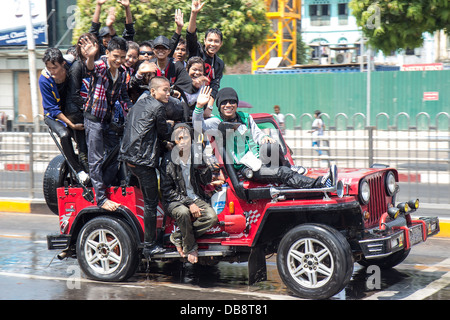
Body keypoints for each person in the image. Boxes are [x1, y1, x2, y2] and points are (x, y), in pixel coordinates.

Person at [193, 87, 337, 190]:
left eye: (232, 101)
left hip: (259, 159)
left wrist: (265, 138)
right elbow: (198, 126)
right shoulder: (216, 122)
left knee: (271, 146)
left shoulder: (246, 117)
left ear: (236, 104)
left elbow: (258, 135)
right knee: (282, 172)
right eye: (224, 102)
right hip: (245, 168)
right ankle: (319, 184)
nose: (228, 105)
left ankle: (288, 166)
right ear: (219, 106)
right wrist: (199, 106)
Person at [120, 76, 173, 256]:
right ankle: (150, 245)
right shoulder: (158, 107)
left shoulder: (138, 104)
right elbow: (163, 132)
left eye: (169, 90)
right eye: (164, 90)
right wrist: (169, 128)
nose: (168, 93)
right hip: (143, 161)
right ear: (153, 91)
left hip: (128, 159)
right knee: (151, 202)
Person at [81, 36, 133, 211]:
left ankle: (105, 188)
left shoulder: (123, 72)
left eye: (122, 57)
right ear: (108, 53)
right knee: (95, 160)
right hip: (93, 119)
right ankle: (101, 199)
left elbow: (123, 96)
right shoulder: (100, 66)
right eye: (115, 56)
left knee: (117, 154)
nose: (119, 60)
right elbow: (90, 69)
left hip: (108, 120)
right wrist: (90, 56)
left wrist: (132, 112)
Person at [160, 123, 219, 264]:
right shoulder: (168, 160)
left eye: (185, 137)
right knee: (183, 212)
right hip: (174, 200)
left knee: (211, 217)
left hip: (194, 196)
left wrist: (204, 165)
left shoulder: (195, 155)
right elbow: (167, 191)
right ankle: (191, 247)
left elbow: (206, 180)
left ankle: (178, 236)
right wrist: (189, 203)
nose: (182, 141)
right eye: (178, 138)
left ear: (191, 139)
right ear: (174, 140)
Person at [39, 48, 89, 185]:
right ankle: (79, 171)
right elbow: (52, 109)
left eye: (55, 67)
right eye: (48, 67)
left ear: (63, 64)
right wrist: (71, 125)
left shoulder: (72, 65)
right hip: (53, 115)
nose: (52, 71)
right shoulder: (44, 79)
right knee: (65, 135)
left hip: (71, 110)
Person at [186, 0, 224, 111]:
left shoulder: (219, 63)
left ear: (221, 44)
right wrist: (194, 13)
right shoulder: (196, 51)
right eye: (210, 40)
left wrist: (209, 107)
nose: (213, 44)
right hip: (186, 95)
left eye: (216, 41)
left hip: (202, 103)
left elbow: (215, 86)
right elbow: (190, 35)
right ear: (204, 41)